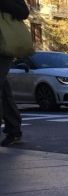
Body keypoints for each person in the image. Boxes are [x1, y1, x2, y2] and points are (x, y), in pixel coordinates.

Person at [0, 0, 29, 146]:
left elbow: (24, 12)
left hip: (3, 46)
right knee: (4, 91)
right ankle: (13, 130)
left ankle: (13, 130)